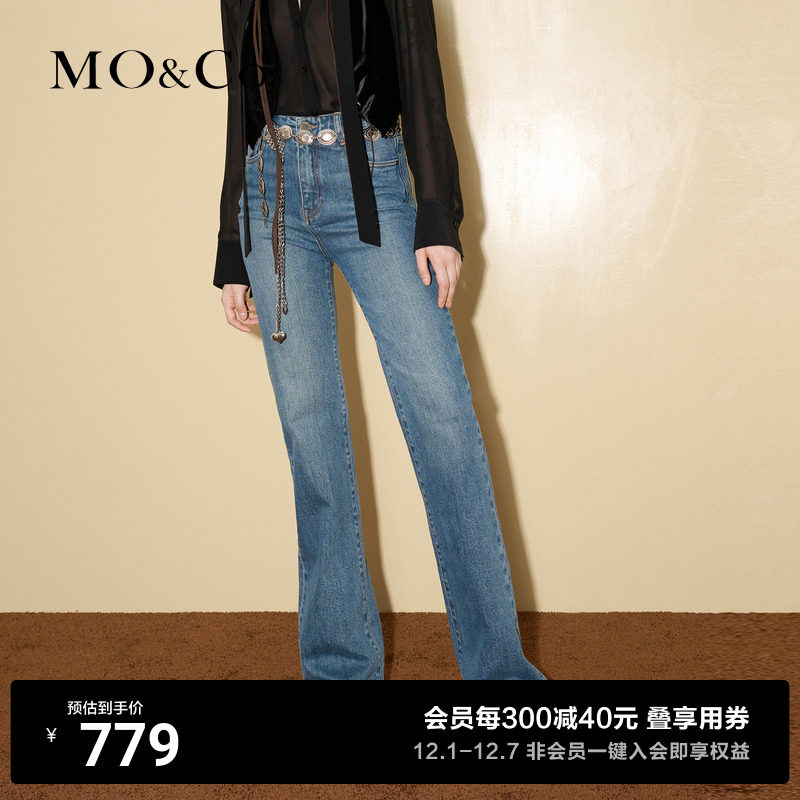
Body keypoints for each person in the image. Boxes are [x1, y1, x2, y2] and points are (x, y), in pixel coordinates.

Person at [213, 0, 548, 680]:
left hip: (370, 175)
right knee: (311, 438)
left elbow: (420, 69)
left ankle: (499, 674)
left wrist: (437, 211)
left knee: (443, 419)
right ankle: (339, 667)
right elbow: (240, 102)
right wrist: (229, 243)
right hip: (270, 195)